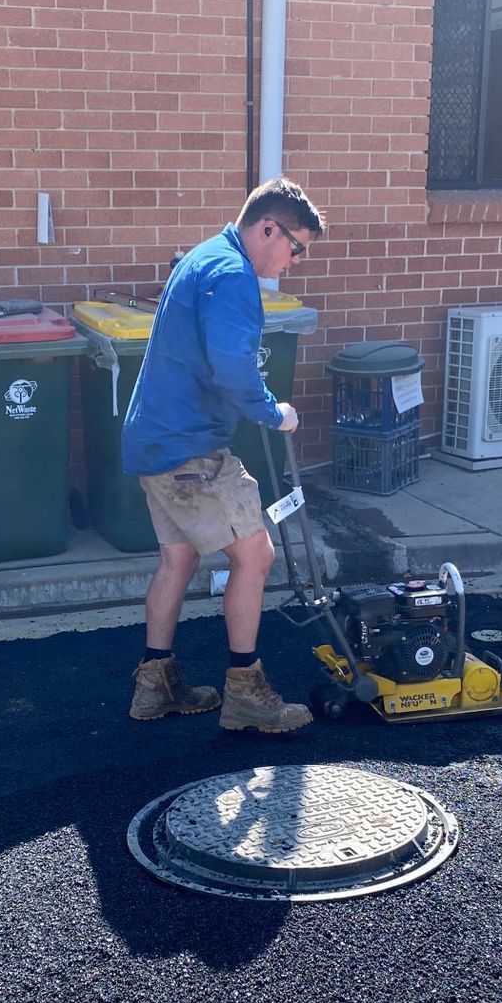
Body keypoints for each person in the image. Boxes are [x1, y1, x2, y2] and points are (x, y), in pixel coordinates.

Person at [121, 177, 325, 733]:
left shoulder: (205, 257)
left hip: (156, 441)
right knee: (255, 556)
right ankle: (245, 693)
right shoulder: (233, 275)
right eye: (295, 246)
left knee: (178, 560)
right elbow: (232, 366)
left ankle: (154, 684)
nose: (294, 260)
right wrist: (272, 411)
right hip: (190, 449)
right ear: (268, 228)